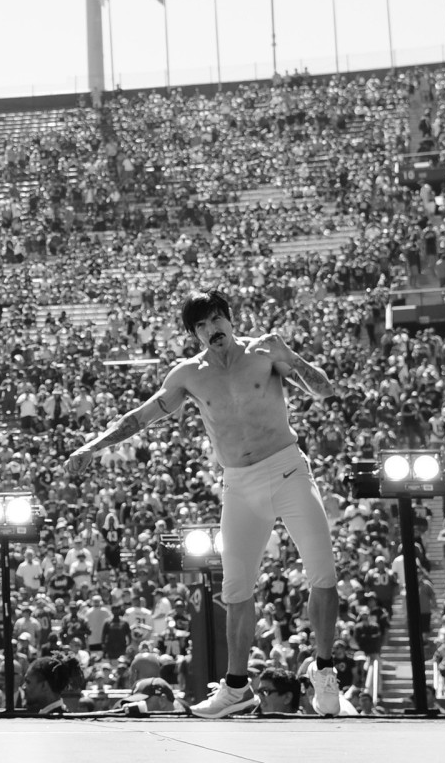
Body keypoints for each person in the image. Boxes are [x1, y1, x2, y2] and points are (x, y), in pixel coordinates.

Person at [66, 290, 341, 718]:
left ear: (231, 319)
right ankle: (235, 687)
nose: (211, 329)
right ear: (194, 333)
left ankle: (324, 671)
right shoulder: (188, 375)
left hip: (288, 469)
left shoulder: (265, 350)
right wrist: (92, 446)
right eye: (201, 325)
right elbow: (138, 418)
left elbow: (323, 390)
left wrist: (292, 356)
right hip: (239, 483)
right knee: (235, 589)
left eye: (216, 319)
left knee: (323, 572)